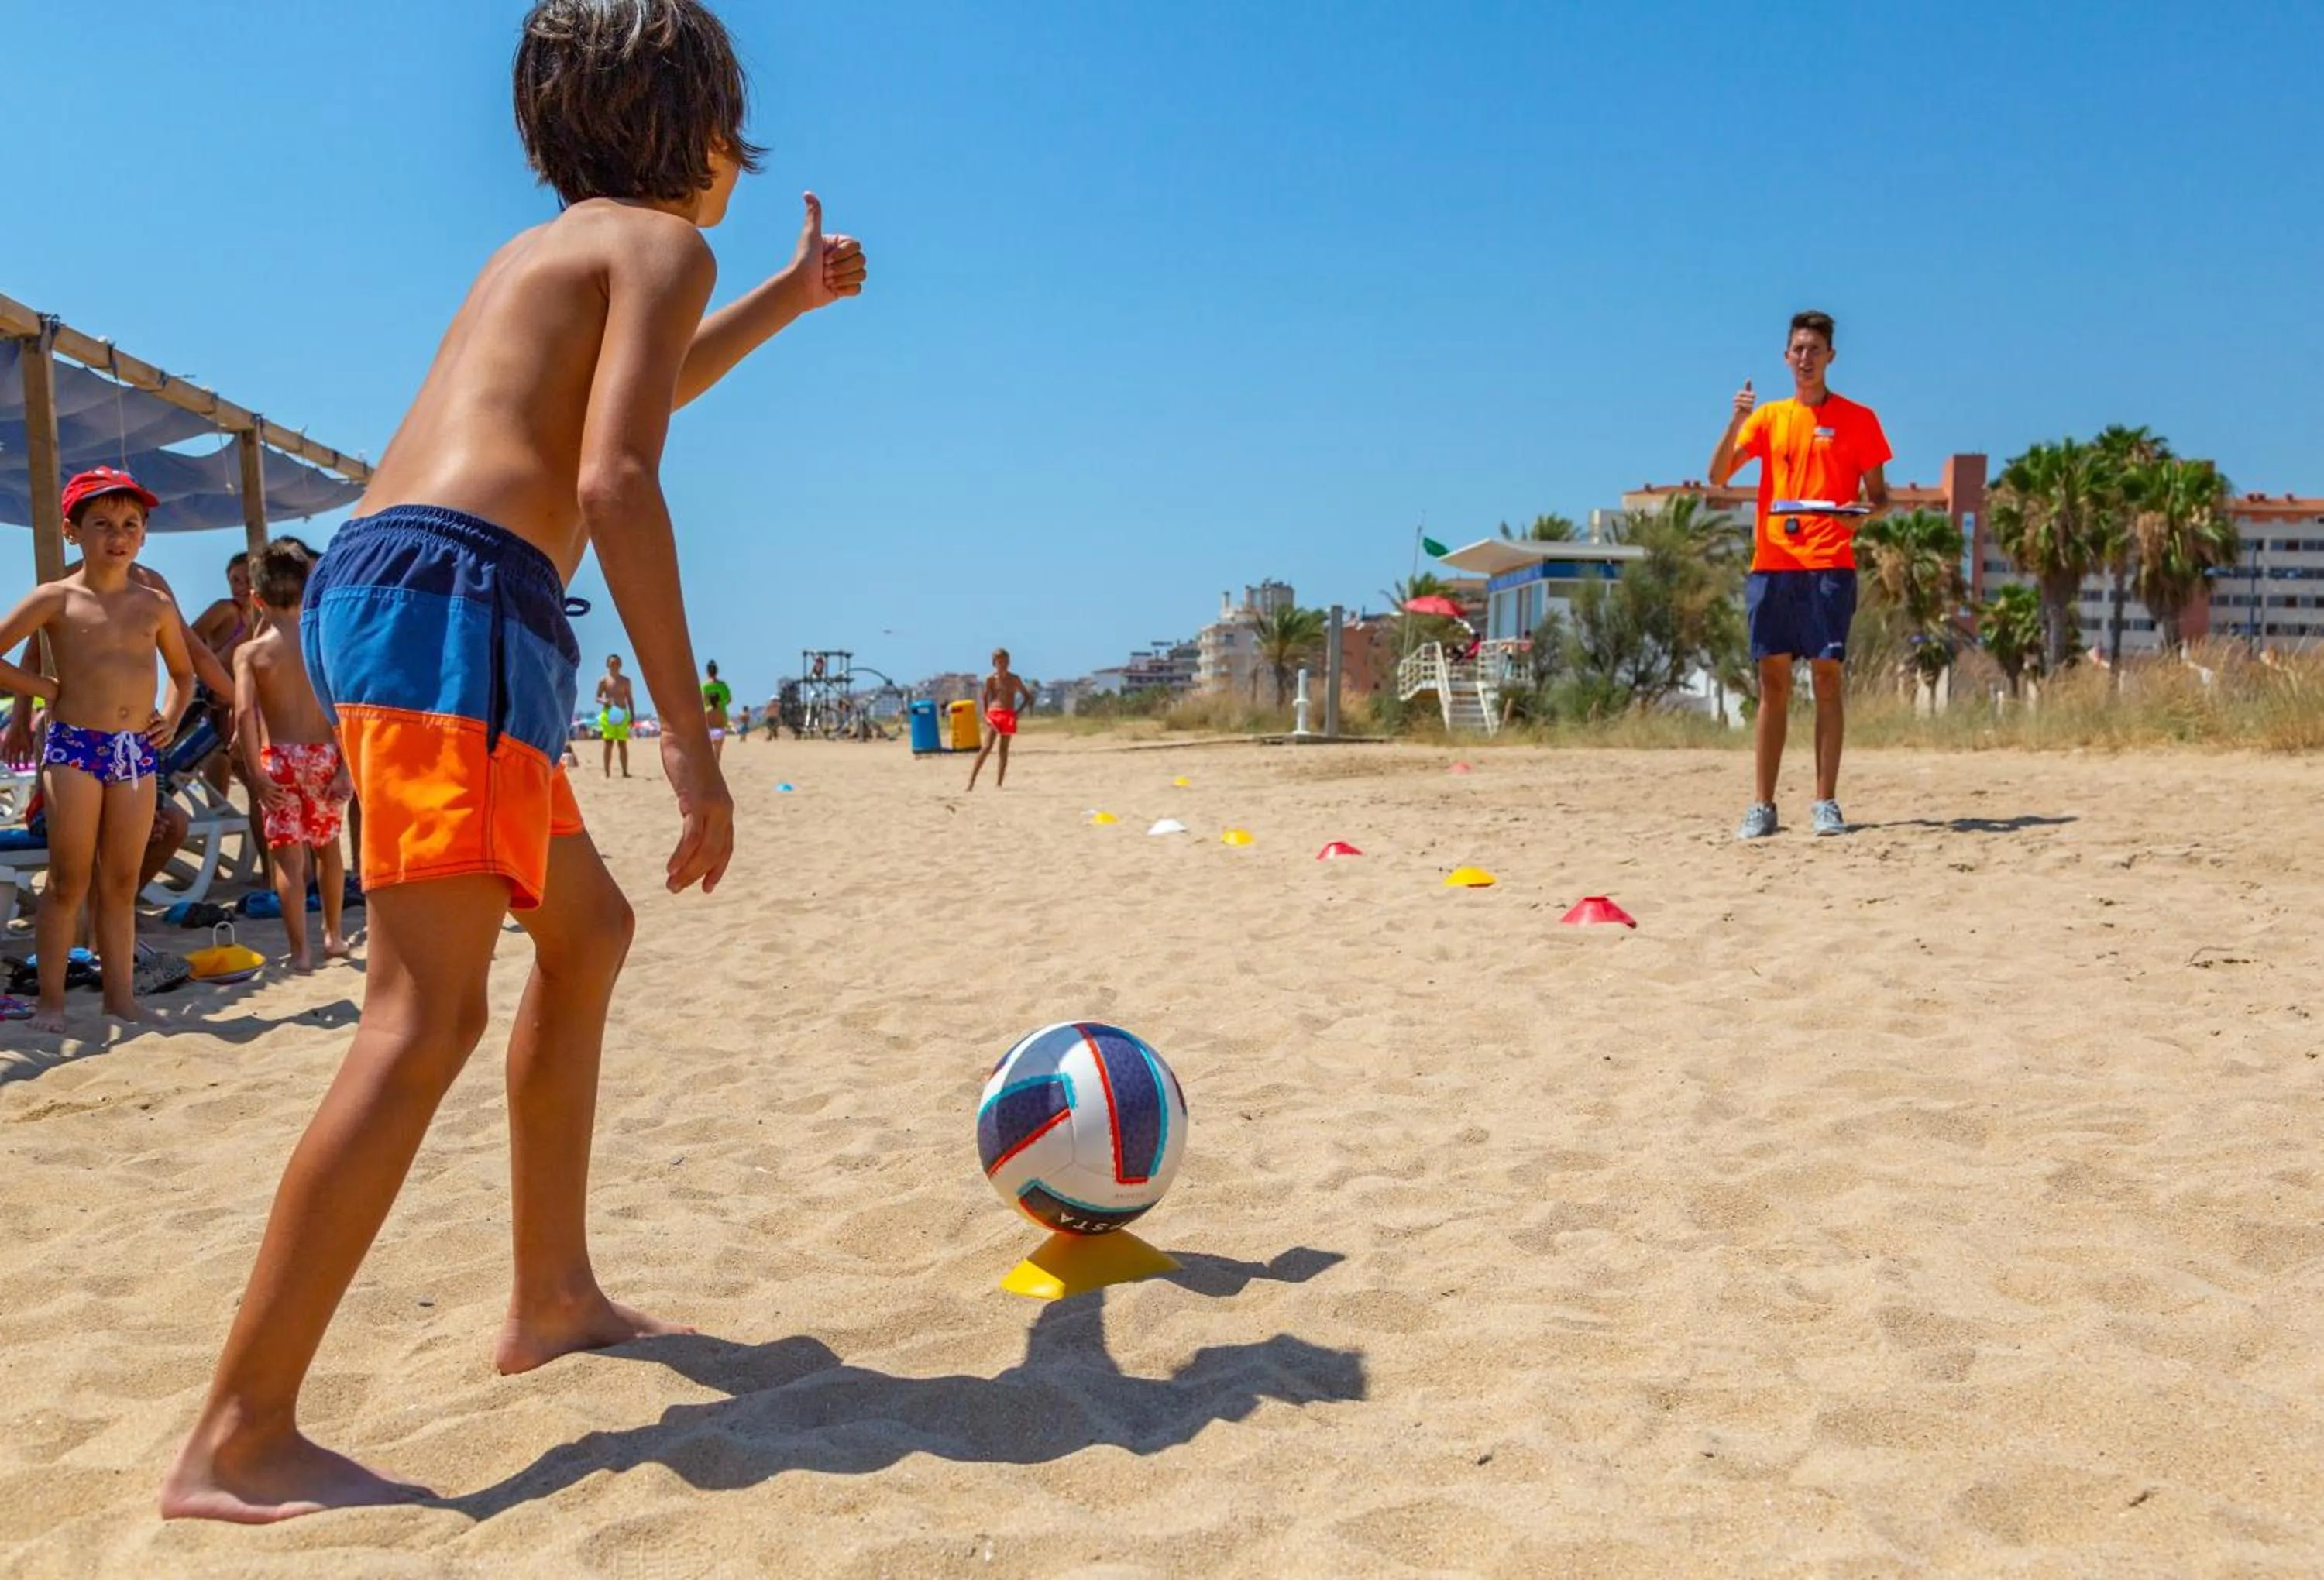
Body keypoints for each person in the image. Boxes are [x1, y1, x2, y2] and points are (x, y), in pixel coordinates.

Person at [162, 0, 865, 1523]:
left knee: (586, 931)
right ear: (701, 127)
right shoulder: (660, 244)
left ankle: (552, 1297)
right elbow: (618, 476)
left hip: (415, 588)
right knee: (423, 1014)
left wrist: (788, 300)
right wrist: (691, 746)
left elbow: (632, 394)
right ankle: (239, 1434)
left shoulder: (545, 253)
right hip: (466, 603)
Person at [0, 467, 197, 1029]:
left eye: (131, 524)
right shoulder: (55, 598)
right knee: (68, 880)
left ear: (144, 535)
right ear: (72, 531)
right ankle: (52, 1002)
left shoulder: (155, 605)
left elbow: (183, 674)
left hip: (135, 752)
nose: (119, 535)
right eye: (103, 524)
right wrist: (44, 689)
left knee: (121, 883)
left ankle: (120, 999)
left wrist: (171, 719)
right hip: (73, 748)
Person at [1708, 310, 1890, 840]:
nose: (1806, 358)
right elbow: (1718, 476)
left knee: (1827, 678)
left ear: (1831, 356)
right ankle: (1762, 806)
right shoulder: (1768, 417)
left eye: (1815, 349)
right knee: (1773, 681)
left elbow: (1881, 498)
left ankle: (1825, 803)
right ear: (1786, 357)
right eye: (1798, 350)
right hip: (1772, 565)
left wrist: (1859, 515)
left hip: (1829, 564)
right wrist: (1735, 420)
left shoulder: (1860, 419)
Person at [234, 541, 353, 974]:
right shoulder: (323, 643)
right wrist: (346, 768)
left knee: (287, 860)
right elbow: (343, 705)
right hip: (324, 757)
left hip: (279, 760)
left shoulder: (251, 653)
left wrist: (255, 773)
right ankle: (333, 935)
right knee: (328, 851)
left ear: (256, 598)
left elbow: (244, 714)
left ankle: (299, 951)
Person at [964, 647, 1032, 792]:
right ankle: (971, 782)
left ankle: (999, 783)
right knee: (986, 747)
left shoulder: (1014, 679)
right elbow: (985, 697)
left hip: (1009, 714)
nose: (1003, 665)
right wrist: (986, 714)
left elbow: (1027, 697)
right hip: (995, 713)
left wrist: (1017, 713)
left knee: (1003, 749)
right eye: (1000, 662)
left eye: (1005, 662)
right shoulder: (991, 679)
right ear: (994, 663)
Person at [594, 654, 637, 778]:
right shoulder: (604, 680)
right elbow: (597, 697)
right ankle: (607, 772)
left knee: (622, 744)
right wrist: (604, 701)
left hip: (622, 712)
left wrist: (633, 715)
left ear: (621, 665)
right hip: (609, 713)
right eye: (612, 663)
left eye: (617, 663)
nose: (615, 665)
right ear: (608, 665)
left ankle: (625, 772)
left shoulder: (626, 681)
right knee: (608, 743)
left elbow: (630, 699)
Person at [700, 658, 732, 761]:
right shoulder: (723, 685)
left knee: (707, 750)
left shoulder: (704, 686)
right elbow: (729, 700)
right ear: (717, 671)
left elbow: (701, 700)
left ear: (707, 672)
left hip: (707, 717)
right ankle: (716, 766)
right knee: (718, 751)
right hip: (721, 715)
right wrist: (721, 703)